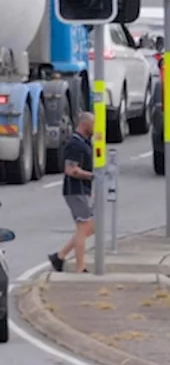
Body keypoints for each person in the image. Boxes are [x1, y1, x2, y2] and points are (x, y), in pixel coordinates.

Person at [48, 112, 96, 273]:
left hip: (83, 190)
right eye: (93, 124)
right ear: (85, 124)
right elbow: (70, 170)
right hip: (76, 190)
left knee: (90, 227)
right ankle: (80, 267)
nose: (95, 128)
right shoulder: (74, 144)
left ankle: (60, 257)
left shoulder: (84, 142)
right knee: (83, 227)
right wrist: (92, 176)